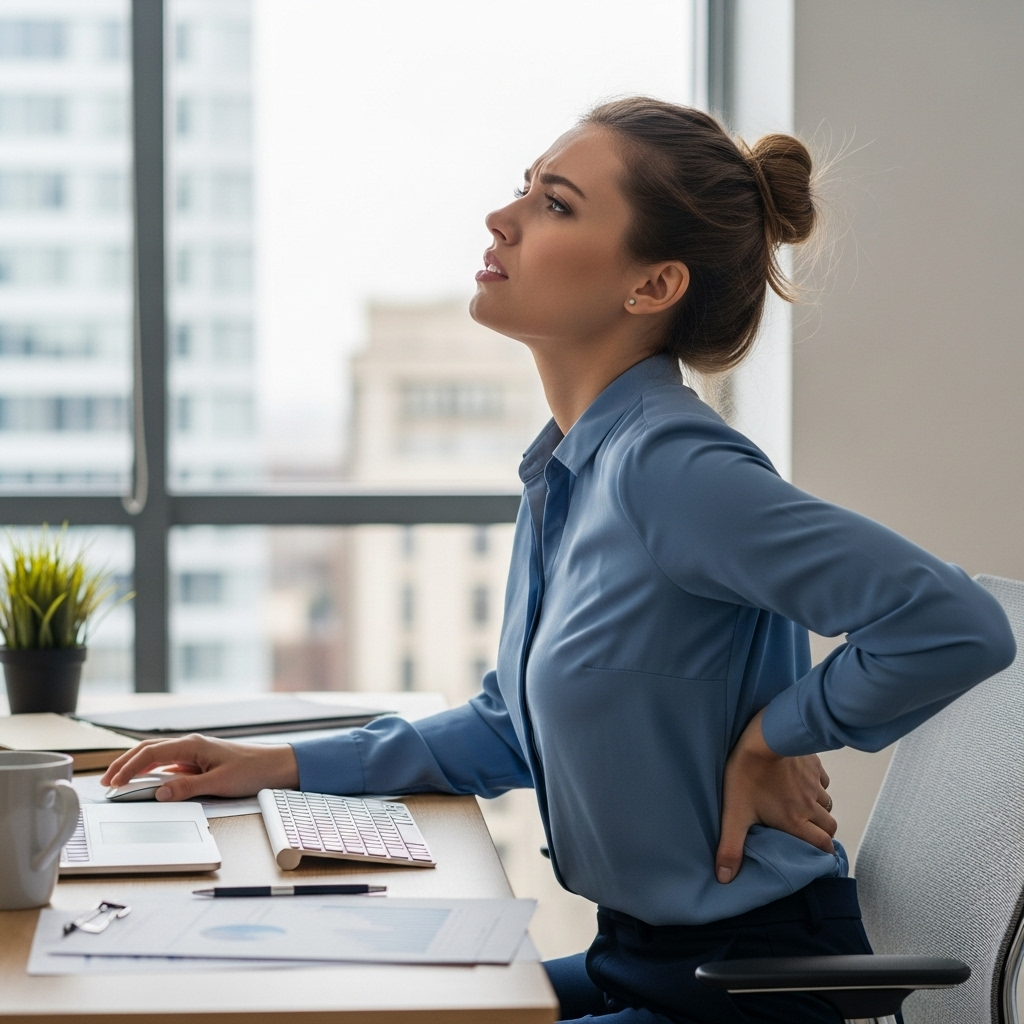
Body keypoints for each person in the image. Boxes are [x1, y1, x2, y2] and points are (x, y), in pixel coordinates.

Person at [103, 98, 1015, 1023]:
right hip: (641, 957)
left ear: (652, 287)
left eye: (558, 205)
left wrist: (779, 730)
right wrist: (273, 765)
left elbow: (958, 625)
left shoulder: (675, 470)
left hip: (754, 985)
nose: (504, 219)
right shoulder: (570, 468)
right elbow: (508, 728)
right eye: (523, 190)